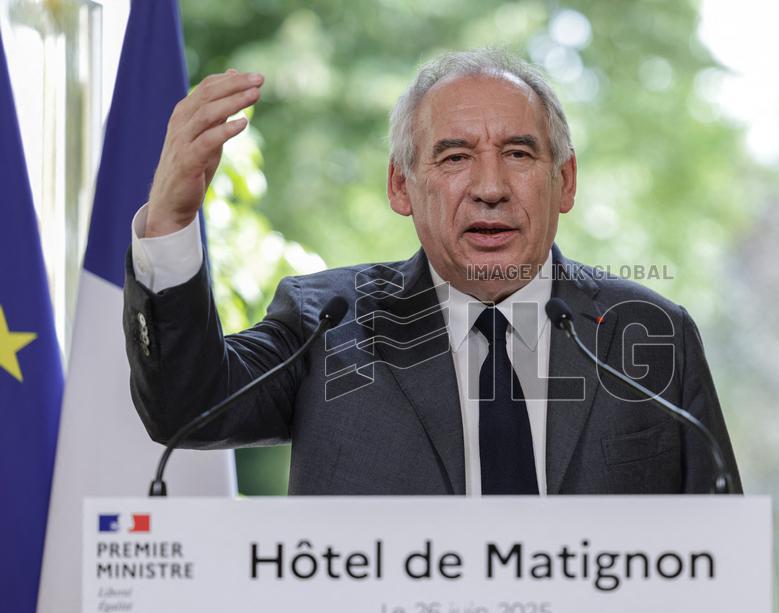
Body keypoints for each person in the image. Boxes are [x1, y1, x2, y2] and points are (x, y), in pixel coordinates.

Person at [124, 49, 742, 495]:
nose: (491, 188)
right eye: (455, 157)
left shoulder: (651, 333)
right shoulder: (327, 323)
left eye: (519, 154)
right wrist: (173, 222)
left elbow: (718, 559)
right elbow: (186, 407)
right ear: (401, 185)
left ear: (566, 181)